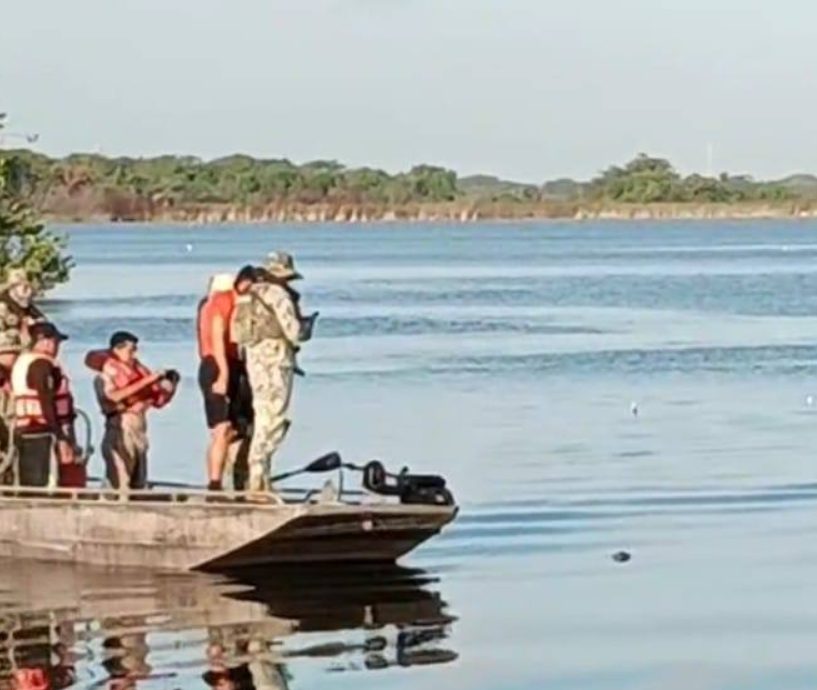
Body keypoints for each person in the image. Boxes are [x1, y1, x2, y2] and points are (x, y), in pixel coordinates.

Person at [233, 252, 317, 493]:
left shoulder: (247, 295)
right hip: (276, 360)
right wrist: (307, 327)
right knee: (274, 420)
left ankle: (256, 477)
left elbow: (238, 334)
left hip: (255, 361)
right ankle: (259, 480)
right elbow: (294, 332)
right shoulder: (278, 295)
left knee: (262, 417)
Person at [88, 331, 179, 492]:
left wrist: (168, 386)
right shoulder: (105, 376)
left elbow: (156, 402)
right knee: (120, 481)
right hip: (120, 428)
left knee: (138, 482)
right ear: (117, 349)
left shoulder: (138, 370)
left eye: (135, 350)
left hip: (139, 430)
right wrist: (147, 380)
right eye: (130, 350)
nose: (134, 354)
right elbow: (113, 397)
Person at [197, 267, 256, 491]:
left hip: (235, 363)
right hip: (217, 363)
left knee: (238, 427)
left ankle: (236, 478)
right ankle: (214, 482)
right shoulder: (219, 302)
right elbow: (217, 338)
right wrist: (223, 373)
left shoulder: (238, 304)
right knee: (221, 428)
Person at [10, 322, 81, 488]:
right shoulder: (40, 365)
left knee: (31, 478)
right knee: (43, 479)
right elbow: (46, 401)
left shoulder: (24, 361)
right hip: (41, 430)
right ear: (45, 342)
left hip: (28, 428)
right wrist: (60, 436)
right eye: (56, 342)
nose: (57, 347)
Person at [0, 267, 47, 353]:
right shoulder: (2, 305)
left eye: (30, 288)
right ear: (13, 288)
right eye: (25, 287)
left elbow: (42, 319)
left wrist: (35, 322)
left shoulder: (25, 304)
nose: (29, 291)